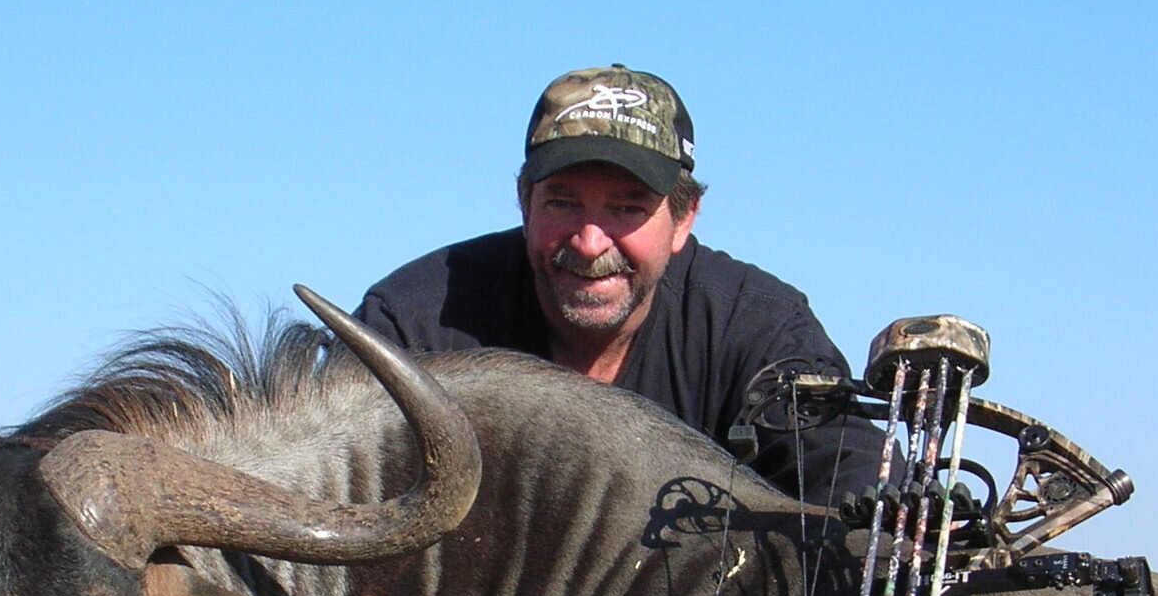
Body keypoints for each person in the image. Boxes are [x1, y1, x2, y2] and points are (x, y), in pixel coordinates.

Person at [355, 65, 872, 505]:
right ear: (524, 200)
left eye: (627, 208)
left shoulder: (759, 327)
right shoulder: (411, 322)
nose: (589, 241)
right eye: (562, 202)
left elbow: (847, 464)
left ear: (684, 217)